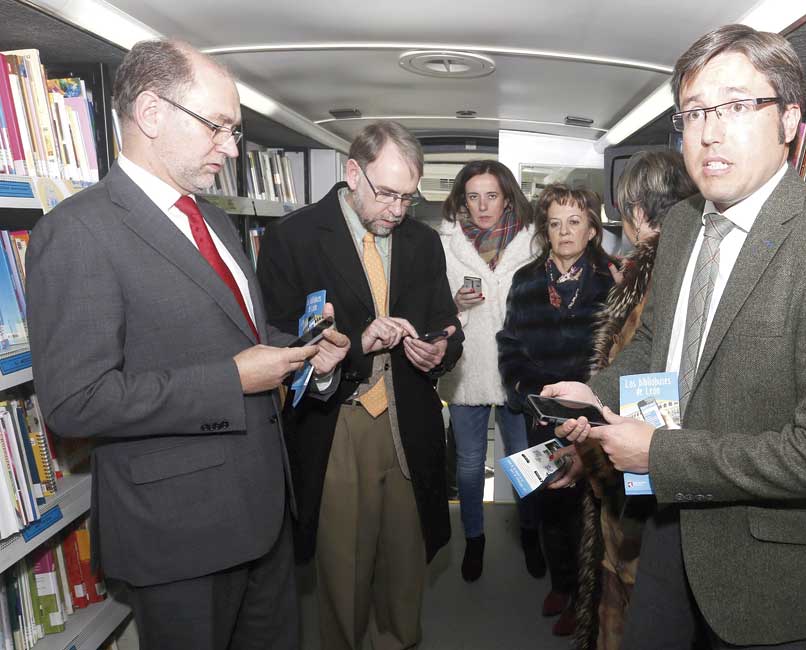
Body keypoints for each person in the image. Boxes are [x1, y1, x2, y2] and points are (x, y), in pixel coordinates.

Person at [545, 24, 806, 649]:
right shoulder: (681, 225)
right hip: (666, 534)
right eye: (695, 112)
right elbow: (658, 345)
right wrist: (593, 394)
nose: (709, 132)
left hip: (771, 574)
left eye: (737, 106)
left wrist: (659, 455)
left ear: (789, 120)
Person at [26, 39, 350, 649]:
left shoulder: (216, 220)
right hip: (178, 536)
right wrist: (232, 380)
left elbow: (237, 336)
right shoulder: (77, 233)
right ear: (151, 113)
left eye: (235, 130)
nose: (231, 148)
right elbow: (75, 401)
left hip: (264, 515)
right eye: (219, 127)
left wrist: (303, 353)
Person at [256, 121, 462, 650]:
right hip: (337, 421)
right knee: (342, 572)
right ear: (352, 172)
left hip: (409, 422)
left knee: (405, 567)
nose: (397, 209)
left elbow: (446, 322)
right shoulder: (293, 238)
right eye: (387, 193)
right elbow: (276, 345)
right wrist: (353, 345)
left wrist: (440, 350)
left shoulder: (422, 241)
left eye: (408, 198)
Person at [571, 150, 698, 650]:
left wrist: (594, 462)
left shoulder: (651, 284)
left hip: (638, 492)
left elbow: (639, 392)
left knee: (632, 615)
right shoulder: (672, 272)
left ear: (640, 213)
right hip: (653, 478)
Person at [497, 185, 616, 637]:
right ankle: (561, 582)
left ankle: (587, 598)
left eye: (574, 222)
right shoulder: (526, 280)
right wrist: (529, 391)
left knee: (590, 509)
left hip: (594, 415)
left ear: (591, 229)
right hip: (540, 413)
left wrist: (594, 400)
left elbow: (619, 356)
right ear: (545, 230)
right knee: (549, 501)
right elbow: (509, 345)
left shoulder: (613, 280)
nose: (564, 232)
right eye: (554, 223)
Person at [437, 160, 542, 582]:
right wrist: (454, 305)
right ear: (462, 199)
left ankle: (531, 533)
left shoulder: (533, 241)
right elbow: (428, 303)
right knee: (468, 463)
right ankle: (475, 539)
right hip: (468, 367)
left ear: (507, 197)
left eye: (491, 196)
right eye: (473, 196)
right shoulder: (443, 242)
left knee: (524, 461)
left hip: (518, 367)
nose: (482, 206)